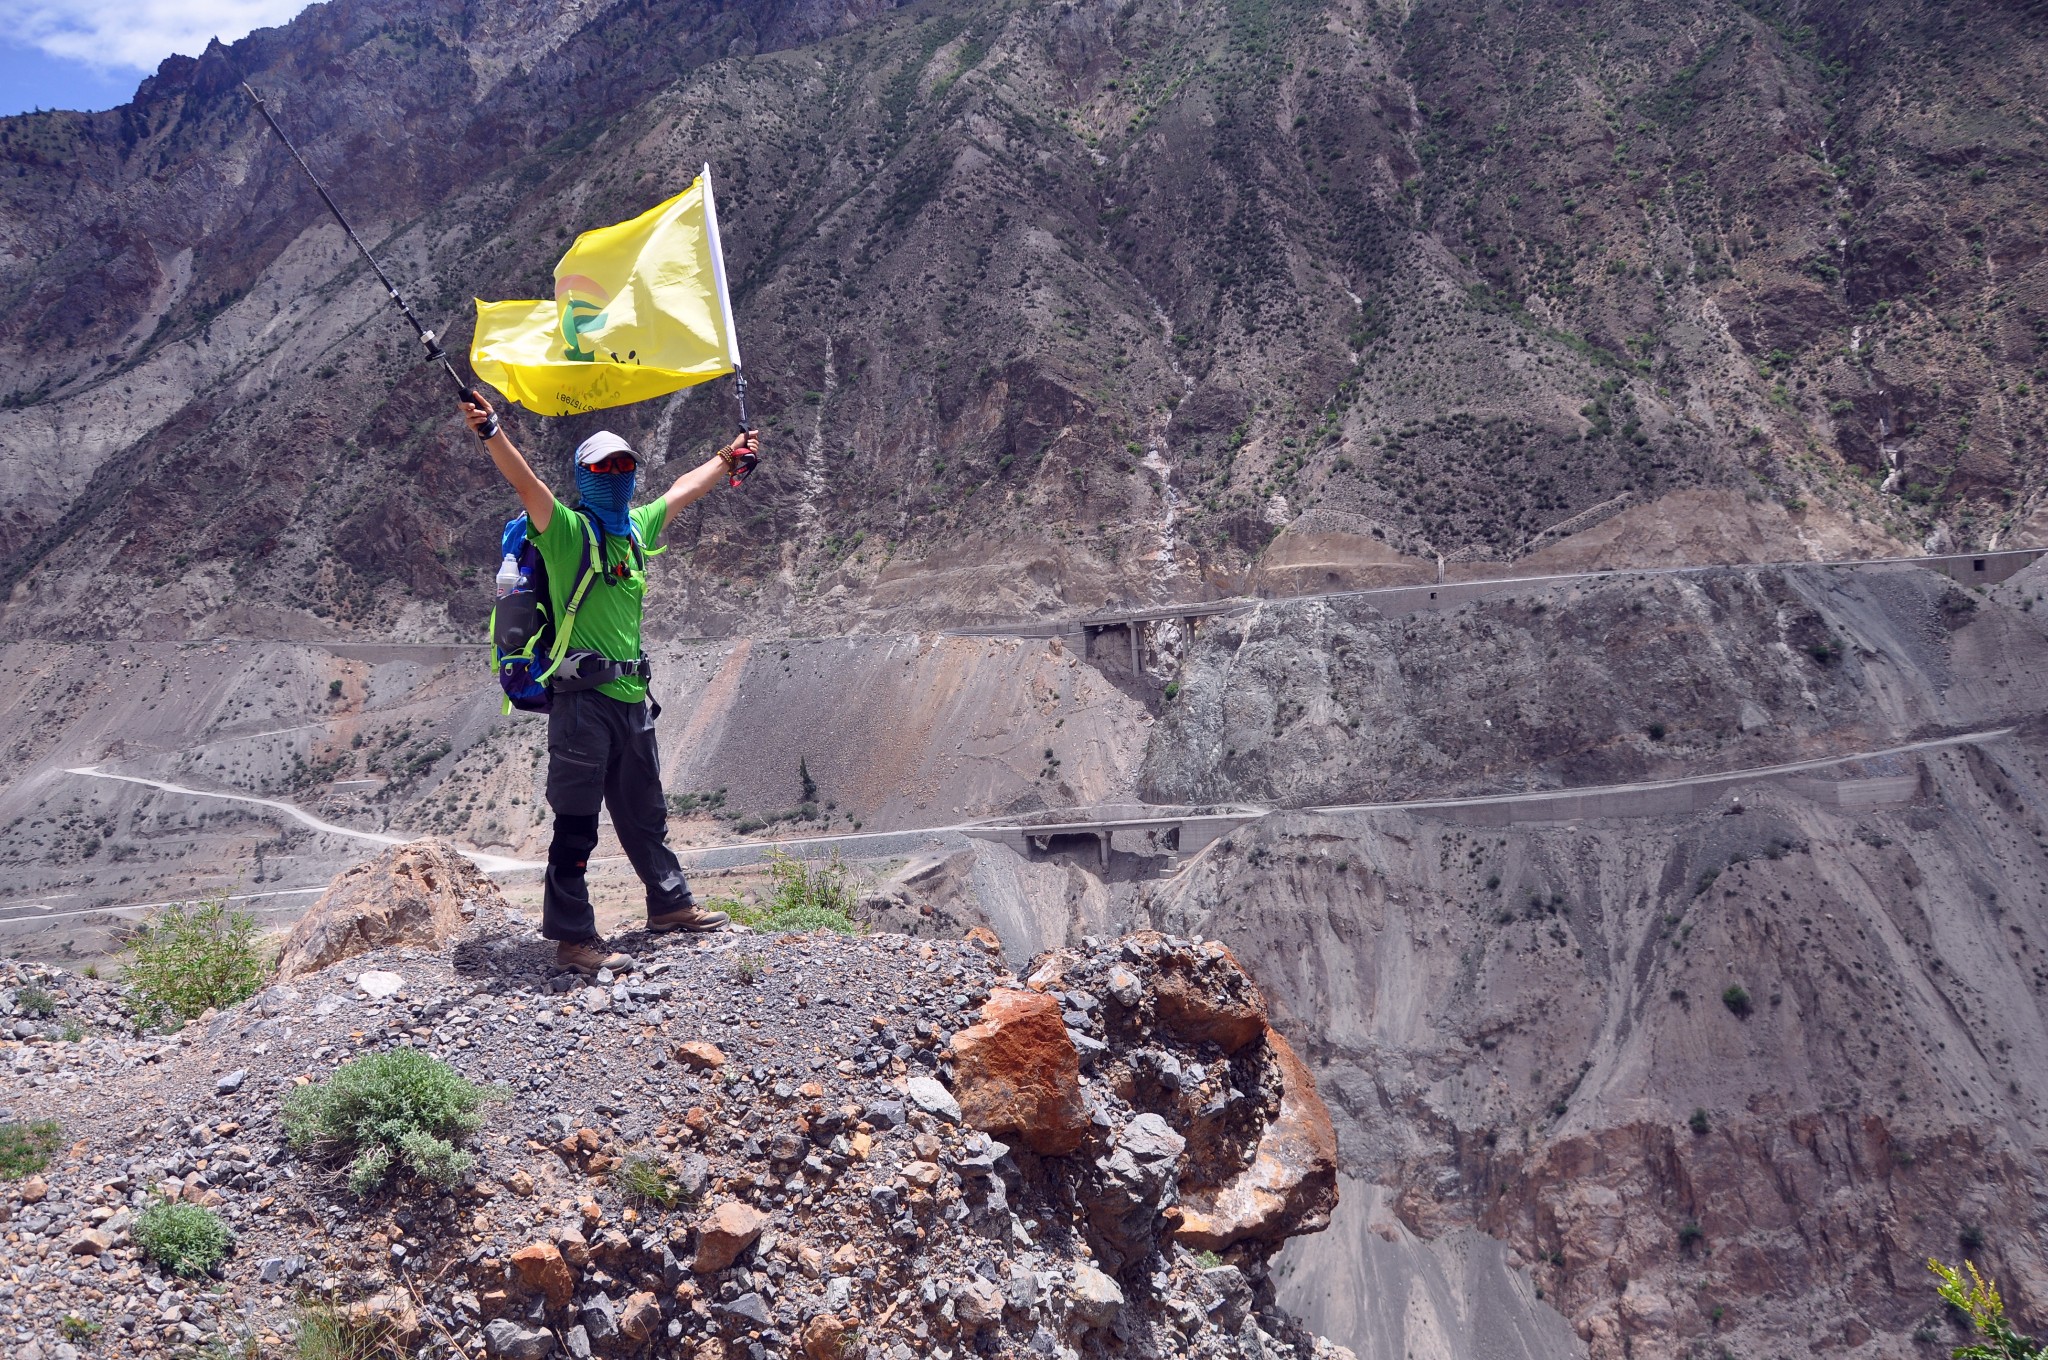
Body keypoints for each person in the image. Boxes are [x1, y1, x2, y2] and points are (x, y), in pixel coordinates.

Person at [462, 389, 760, 975]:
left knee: (645, 810)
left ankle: (670, 906)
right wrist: (491, 430)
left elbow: (682, 491)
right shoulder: (568, 531)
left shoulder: (635, 530)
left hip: (630, 699)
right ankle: (574, 938)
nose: (619, 475)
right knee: (576, 823)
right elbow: (528, 487)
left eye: (626, 465)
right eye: (605, 467)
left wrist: (729, 457)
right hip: (582, 704)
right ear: (585, 476)